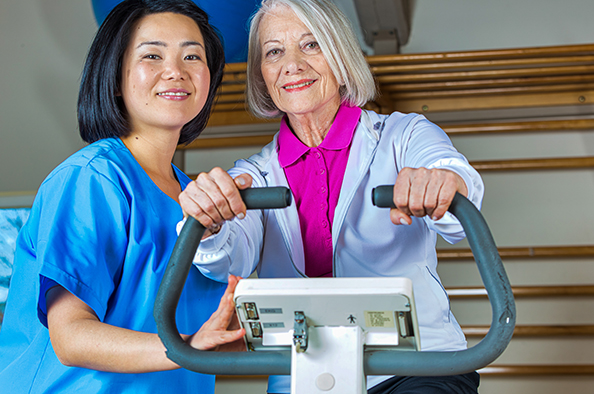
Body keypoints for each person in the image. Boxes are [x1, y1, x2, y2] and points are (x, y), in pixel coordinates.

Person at [179, 0, 484, 393]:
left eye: (311, 44)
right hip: (304, 375)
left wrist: (442, 183)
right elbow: (227, 257)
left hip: (414, 368)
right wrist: (208, 220)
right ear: (263, 75)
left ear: (340, 56)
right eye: (274, 52)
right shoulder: (254, 174)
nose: (292, 64)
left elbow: (458, 192)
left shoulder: (403, 136)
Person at [0, 1, 246, 393]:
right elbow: (71, 337)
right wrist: (187, 348)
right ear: (115, 76)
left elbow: (203, 339)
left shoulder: (197, 200)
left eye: (192, 55)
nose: (176, 70)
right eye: (152, 55)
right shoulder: (93, 179)